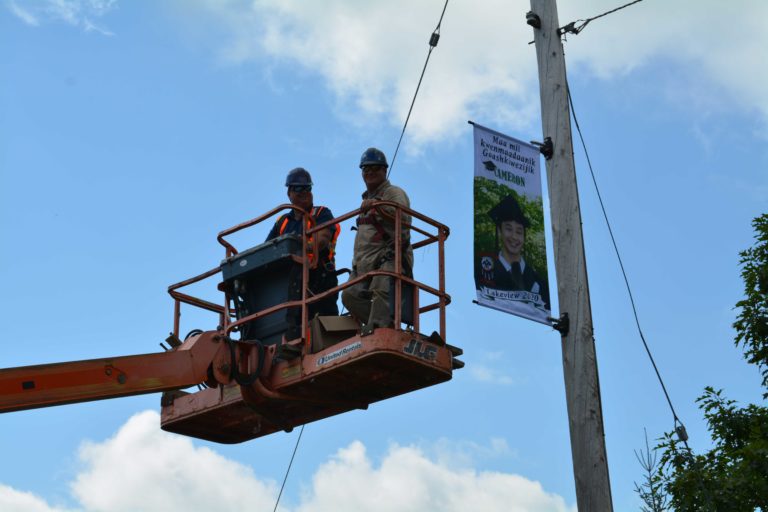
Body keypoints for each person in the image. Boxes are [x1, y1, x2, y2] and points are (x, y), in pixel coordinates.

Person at [341, 148, 413, 335]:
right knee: (348, 296)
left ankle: (380, 328)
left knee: (382, 290)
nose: (369, 172)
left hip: (387, 258)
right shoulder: (367, 199)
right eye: (365, 169)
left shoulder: (393, 193)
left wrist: (379, 207)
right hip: (363, 264)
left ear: (384, 170)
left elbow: (403, 219)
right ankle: (379, 324)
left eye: (375, 168)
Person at [266, 167, 340, 336]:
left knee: (325, 330)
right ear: (289, 193)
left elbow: (321, 241)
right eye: (299, 189)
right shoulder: (283, 221)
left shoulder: (322, 213)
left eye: (308, 188)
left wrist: (294, 245)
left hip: (319, 278)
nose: (304, 192)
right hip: (290, 281)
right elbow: (267, 249)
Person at [475, 194, 550, 310]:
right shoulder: (482, 270)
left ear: (524, 236)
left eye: (519, 232)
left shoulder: (539, 282)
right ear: (499, 231)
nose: (514, 237)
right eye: (508, 229)